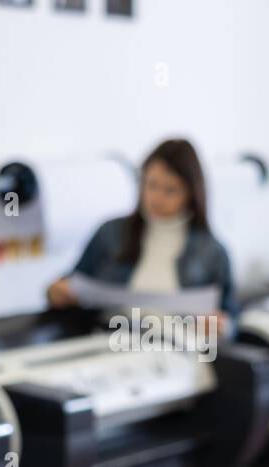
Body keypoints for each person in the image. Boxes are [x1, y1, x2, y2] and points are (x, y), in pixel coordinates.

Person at [47, 138, 238, 334]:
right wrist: (57, 293)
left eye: (170, 190)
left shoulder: (212, 252)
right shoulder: (110, 233)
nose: (157, 198)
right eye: (151, 185)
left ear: (191, 193)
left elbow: (230, 319)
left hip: (177, 348)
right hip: (110, 340)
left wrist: (223, 326)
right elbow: (73, 282)